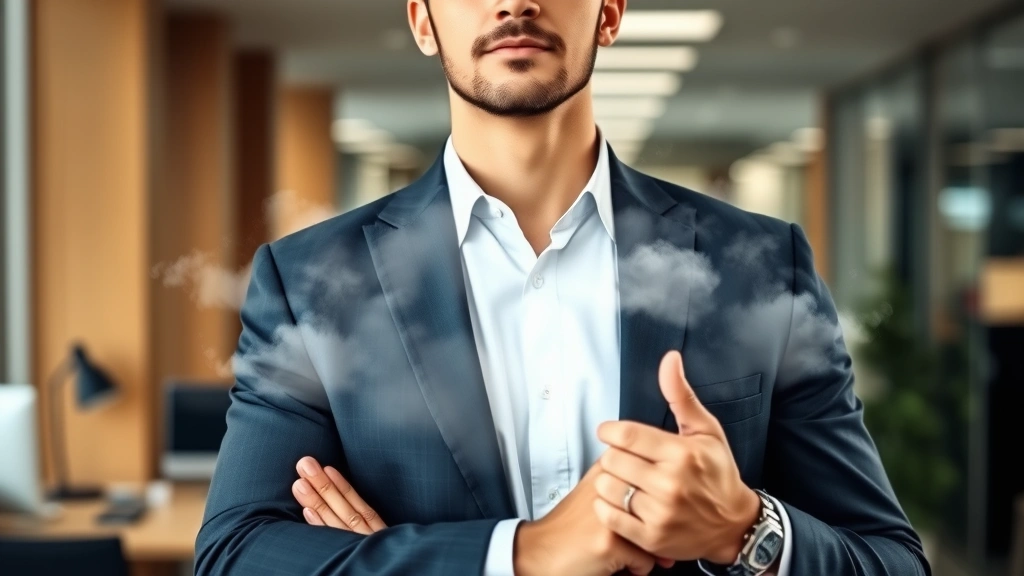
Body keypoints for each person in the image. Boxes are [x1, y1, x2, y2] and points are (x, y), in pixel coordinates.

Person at [195, 1, 929, 575]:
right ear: (422, 20)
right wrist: (525, 555)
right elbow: (234, 556)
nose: (515, 2)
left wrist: (743, 530)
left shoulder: (763, 264)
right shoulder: (310, 282)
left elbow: (892, 561)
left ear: (609, 12)